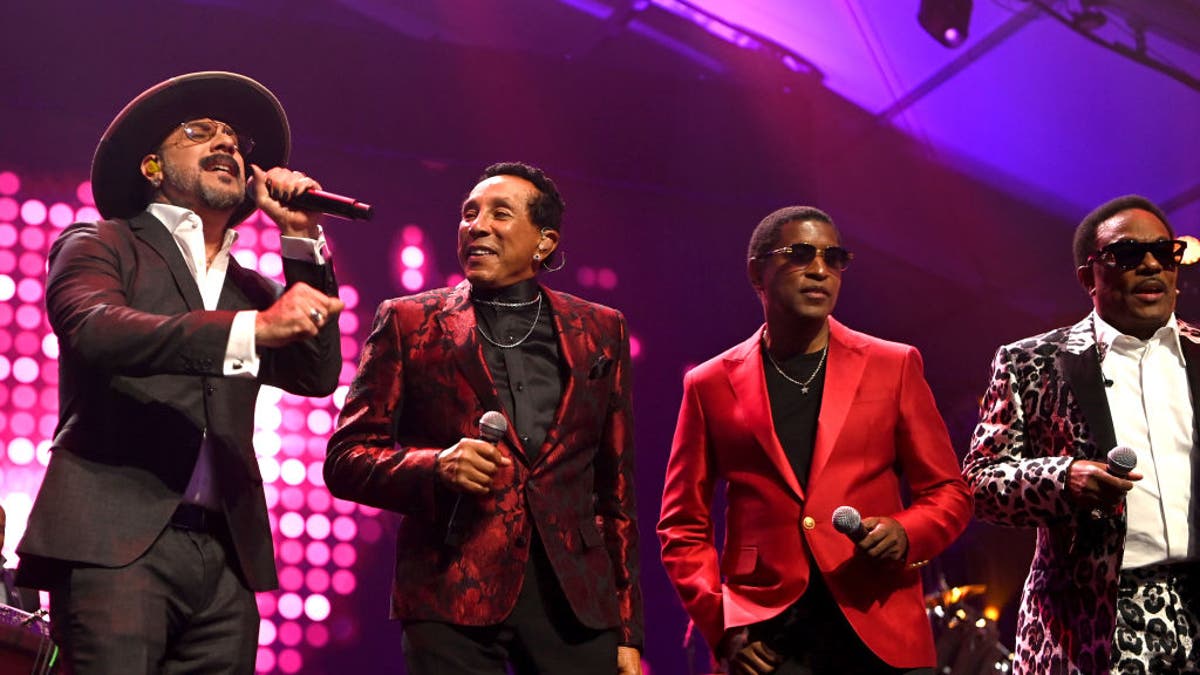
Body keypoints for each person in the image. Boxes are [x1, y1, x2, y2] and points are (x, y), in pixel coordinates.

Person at [15, 71, 344, 674]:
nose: (226, 143)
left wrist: (300, 239)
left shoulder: (253, 287)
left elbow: (316, 373)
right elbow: (96, 329)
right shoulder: (103, 242)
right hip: (113, 543)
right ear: (152, 167)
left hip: (225, 555)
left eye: (236, 141)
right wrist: (249, 332)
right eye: (199, 132)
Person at [325, 162, 643, 674]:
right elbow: (345, 458)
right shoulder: (409, 322)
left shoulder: (601, 330)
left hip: (575, 602)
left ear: (544, 242)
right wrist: (435, 467)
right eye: (469, 214)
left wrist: (627, 630)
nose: (477, 225)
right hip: (452, 592)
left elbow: (616, 489)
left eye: (500, 213)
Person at [658, 206, 972, 674]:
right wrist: (721, 622)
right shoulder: (709, 383)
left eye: (834, 257)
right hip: (767, 637)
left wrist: (906, 531)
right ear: (756, 272)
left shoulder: (894, 364)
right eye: (800, 254)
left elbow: (949, 492)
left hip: (880, 621)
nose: (820, 270)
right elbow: (683, 526)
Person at [964, 195, 1200, 674]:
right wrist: (1060, 478)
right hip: (1090, 623)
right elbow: (979, 484)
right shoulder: (1032, 361)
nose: (1152, 263)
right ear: (1087, 277)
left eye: (1164, 250)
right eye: (1128, 253)